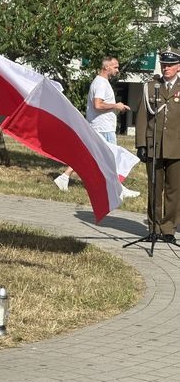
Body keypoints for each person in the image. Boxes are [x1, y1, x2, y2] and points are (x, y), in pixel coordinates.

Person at [54, 56, 140, 198]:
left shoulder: (101, 82)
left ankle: (64, 177)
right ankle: (118, 189)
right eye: (115, 67)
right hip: (103, 128)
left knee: (88, 155)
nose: (117, 70)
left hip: (100, 126)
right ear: (106, 67)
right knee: (112, 158)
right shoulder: (100, 83)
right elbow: (98, 105)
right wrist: (116, 105)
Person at [135, 48, 180, 243]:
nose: (166, 68)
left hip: (177, 147)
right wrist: (141, 144)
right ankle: (154, 227)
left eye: (170, 65)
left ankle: (168, 227)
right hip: (154, 145)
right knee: (154, 188)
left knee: (174, 190)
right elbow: (143, 116)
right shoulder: (151, 86)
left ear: (178, 66)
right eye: (163, 64)